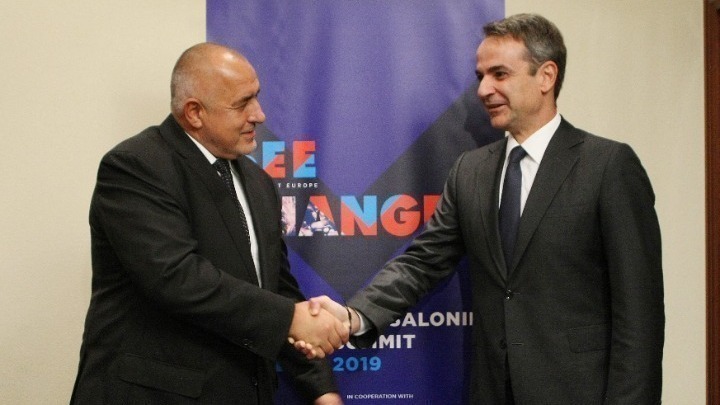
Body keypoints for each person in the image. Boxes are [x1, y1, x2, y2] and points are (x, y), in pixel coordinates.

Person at [300, 13, 665, 404]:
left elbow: (639, 315)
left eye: (499, 74)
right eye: (481, 76)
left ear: (546, 76)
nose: (484, 89)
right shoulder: (470, 171)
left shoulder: (608, 166)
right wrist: (353, 316)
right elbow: (423, 262)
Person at [71, 43, 348, 404]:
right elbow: (176, 276)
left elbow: (276, 287)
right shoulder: (136, 166)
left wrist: (321, 389)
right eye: (242, 103)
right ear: (195, 113)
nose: (259, 114)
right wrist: (290, 319)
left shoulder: (258, 183)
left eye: (257, 97)